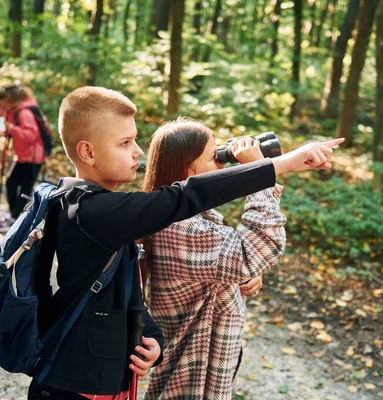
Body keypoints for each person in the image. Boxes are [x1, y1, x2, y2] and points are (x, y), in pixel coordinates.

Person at [26, 86, 342, 399]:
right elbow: (184, 197)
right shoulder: (93, 211)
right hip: (71, 387)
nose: (138, 151)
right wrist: (275, 166)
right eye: (125, 143)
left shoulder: (100, 209)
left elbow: (118, 294)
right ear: (88, 152)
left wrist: (152, 338)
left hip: (96, 381)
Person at [140, 120, 331, 400]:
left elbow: (238, 259)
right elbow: (257, 247)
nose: (222, 164)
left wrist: (240, 275)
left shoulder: (186, 219)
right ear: (188, 170)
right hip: (188, 386)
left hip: (199, 379)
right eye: (214, 157)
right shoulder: (179, 228)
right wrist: (258, 175)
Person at [0, 85, 46, 232]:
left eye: (3, 103)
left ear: (11, 101)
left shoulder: (24, 113)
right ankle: (15, 215)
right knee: (11, 183)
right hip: (22, 156)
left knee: (25, 189)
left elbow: (30, 135)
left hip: (34, 156)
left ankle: (17, 218)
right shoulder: (12, 111)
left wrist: (11, 129)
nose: (1, 106)